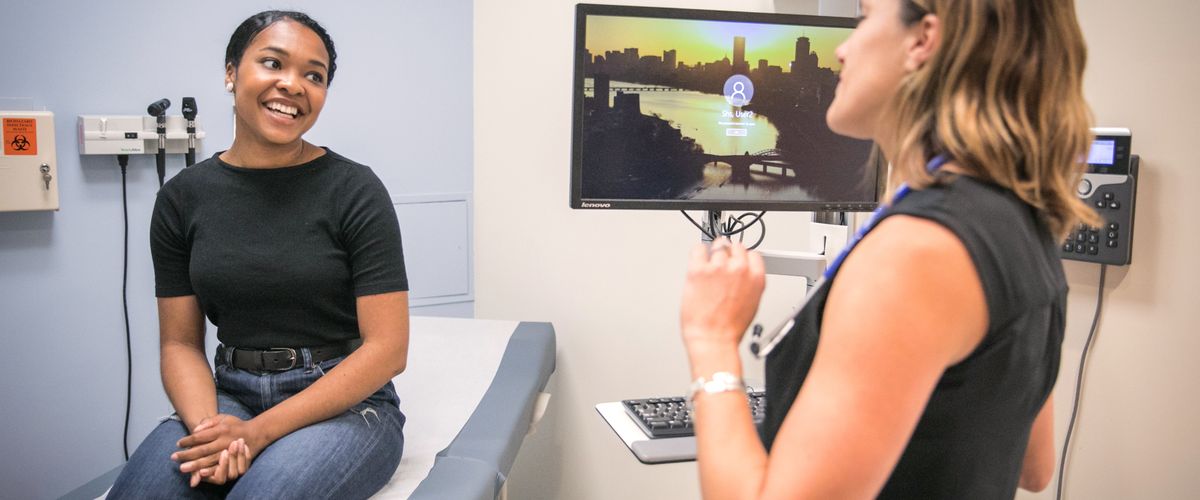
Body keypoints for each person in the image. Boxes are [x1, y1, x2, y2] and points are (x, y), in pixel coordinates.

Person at [678, 0, 1097, 498]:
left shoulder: (915, 254)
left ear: (922, 41)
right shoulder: (1022, 222)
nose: (841, 50)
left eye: (863, 20)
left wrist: (712, 340)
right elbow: (1033, 465)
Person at [108, 10, 409, 498]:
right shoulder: (182, 199)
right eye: (273, 63)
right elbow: (180, 344)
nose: (293, 85)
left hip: (345, 404)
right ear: (231, 72)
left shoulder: (355, 189)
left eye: (314, 75)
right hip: (230, 392)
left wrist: (256, 433)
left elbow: (387, 350)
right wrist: (212, 431)